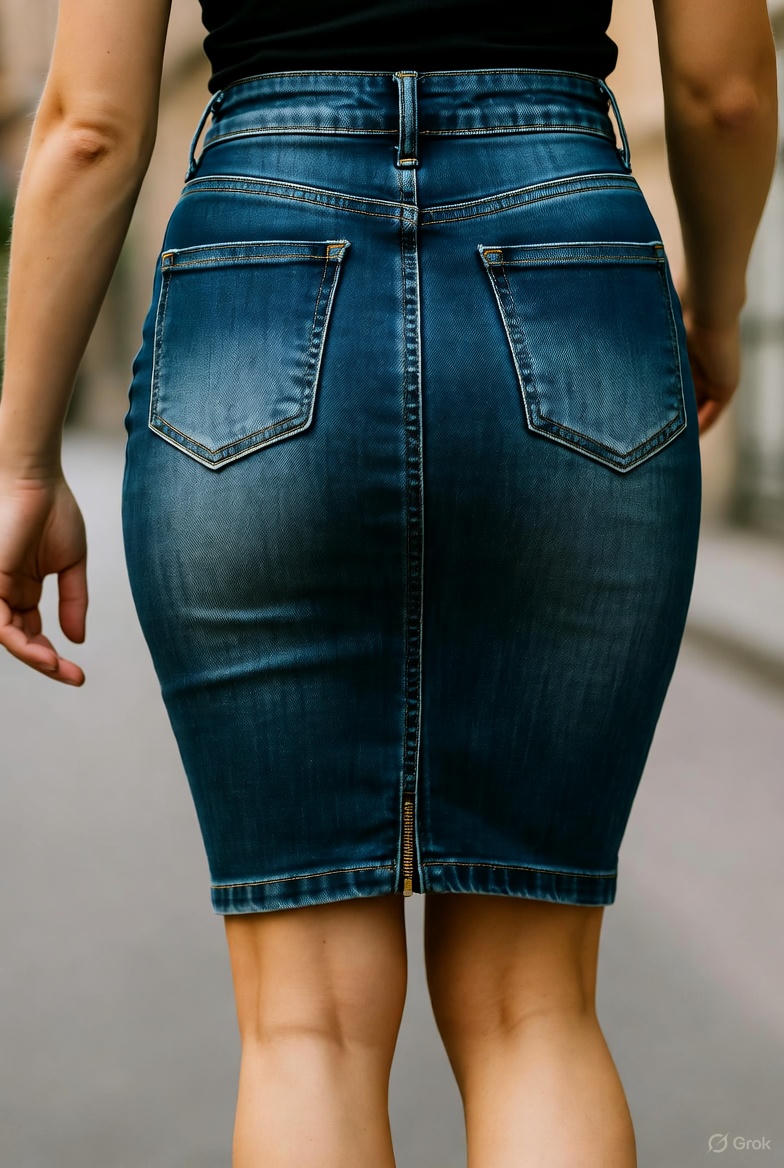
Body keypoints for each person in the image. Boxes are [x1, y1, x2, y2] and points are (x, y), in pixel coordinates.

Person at [0, 1, 777, 1165]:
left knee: (304, 1024)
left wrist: (21, 460)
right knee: (535, 1006)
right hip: (567, 242)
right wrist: (713, 312)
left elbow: (91, 127)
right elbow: (725, 91)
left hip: (259, 255)